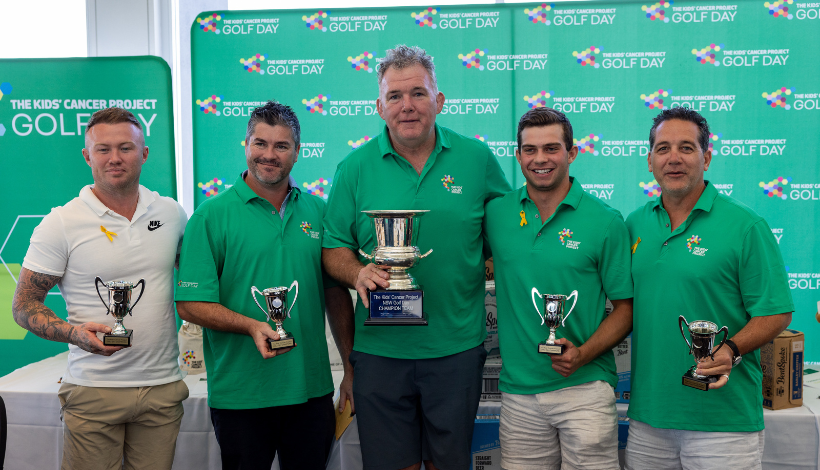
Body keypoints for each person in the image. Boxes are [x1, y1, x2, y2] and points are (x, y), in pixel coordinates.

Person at [321, 44, 511, 470]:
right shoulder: (353, 168)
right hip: (380, 354)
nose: (407, 106)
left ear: (438, 100)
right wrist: (357, 272)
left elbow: (507, 236)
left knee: (449, 464)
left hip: (455, 350)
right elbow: (333, 248)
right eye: (395, 96)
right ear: (379, 106)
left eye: (418, 93)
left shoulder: (476, 159)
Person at [175, 100, 355, 470]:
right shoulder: (210, 216)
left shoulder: (319, 212)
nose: (269, 155)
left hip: (310, 391)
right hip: (242, 396)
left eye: (281, 146)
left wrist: (351, 368)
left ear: (297, 152)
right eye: (260, 143)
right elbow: (190, 303)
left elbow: (335, 292)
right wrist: (253, 325)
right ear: (246, 145)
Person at [12, 107, 189, 470]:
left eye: (125, 147)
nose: (114, 158)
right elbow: (24, 305)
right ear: (87, 155)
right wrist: (74, 334)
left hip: (162, 387)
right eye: (103, 149)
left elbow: (195, 283)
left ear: (144, 153)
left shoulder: (171, 213)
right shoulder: (61, 222)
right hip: (93, 390)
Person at [625, 107, 793, 470]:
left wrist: (730, 348)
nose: (674, 158)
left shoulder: (745, 225)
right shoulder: (635, 223)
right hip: (648, 417)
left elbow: (776, 311)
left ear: (707, 157)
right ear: (649, 160)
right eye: (663, 148)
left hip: (723, 422)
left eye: (686, 148)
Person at [484, 107, 633, 469]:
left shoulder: (606, 221)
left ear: (572, 152)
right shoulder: (496, 214)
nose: (540, 159)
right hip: (519, 394)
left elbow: (626, 310)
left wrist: (582, 353)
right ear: (517, 156)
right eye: (530, 150)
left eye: (551, 148)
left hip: (585, 391)